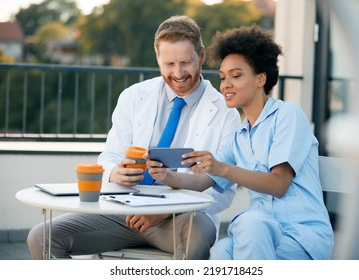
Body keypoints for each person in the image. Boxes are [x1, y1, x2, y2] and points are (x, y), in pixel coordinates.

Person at [26, 15, 241, 260]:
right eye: (169, 64)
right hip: (123, 211)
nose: (178, 73)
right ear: (158, 59)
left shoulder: (226, 113)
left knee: (198, 237)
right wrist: (114, 173)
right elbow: (109, 156)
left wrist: (166, 211)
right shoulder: (133, 96)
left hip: (180, 219)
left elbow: (223, 189)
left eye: (186, 63)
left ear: (201, 57)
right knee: (41, 238)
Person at [146, 25, 334, 260]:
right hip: (259, 232)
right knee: (220, 252)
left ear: (260, 79)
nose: (225, 85)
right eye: (223, 77)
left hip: (300, 236)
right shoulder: (238, 137)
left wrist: (221, 167)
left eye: (236, 76)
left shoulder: (288, 115)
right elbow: (199, 182)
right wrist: (164, 175)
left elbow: (278, 184)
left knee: (250, 223)